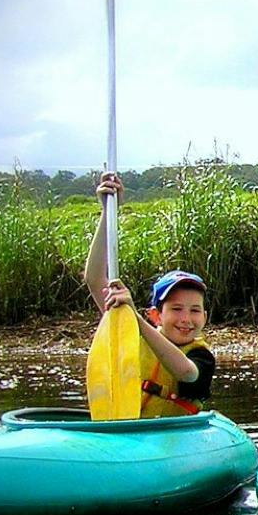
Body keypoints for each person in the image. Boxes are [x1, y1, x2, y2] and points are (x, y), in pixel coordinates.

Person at [83, 173, 215, 416]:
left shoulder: (201, 356)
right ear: (156, 315)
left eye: (195, 310)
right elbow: (94, 280)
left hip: (174, 435)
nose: (186, 318)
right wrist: (107, 213)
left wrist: (135, 318)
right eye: (176, 309)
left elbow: (186, 373)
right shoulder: (130, 334)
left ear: (204, 317)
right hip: (133, 429)